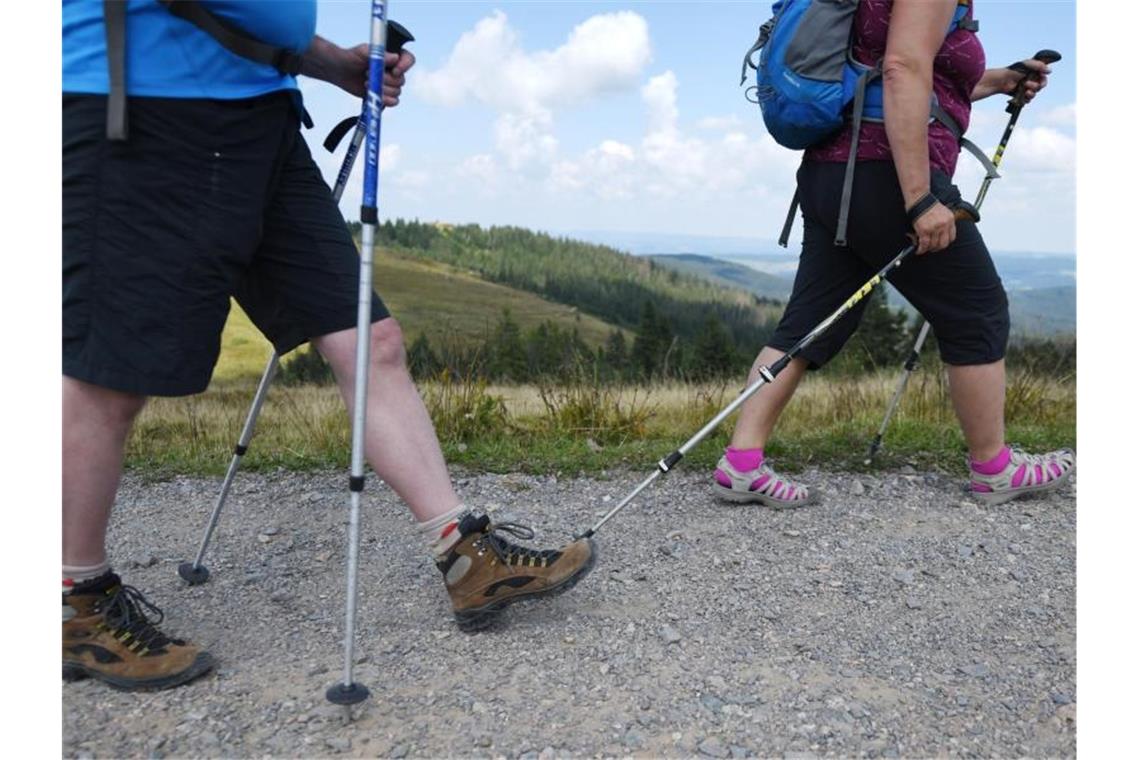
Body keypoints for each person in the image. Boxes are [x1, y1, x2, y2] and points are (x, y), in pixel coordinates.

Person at [63, 0, 596, 692]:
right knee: (112, 372)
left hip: (263, 116)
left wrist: (327, 64)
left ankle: (465, 555)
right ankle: (75, 600)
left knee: (370, 339)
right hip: (138, 110)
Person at [713, 0, 1074, 508]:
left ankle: (742, 463)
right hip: (886, 175)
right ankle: (994, 468)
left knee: (810, 322)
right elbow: (905, 68)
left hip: (832, 174)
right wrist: (920, 197)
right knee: (976, 309)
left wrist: (995, 81)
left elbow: (899, 74)